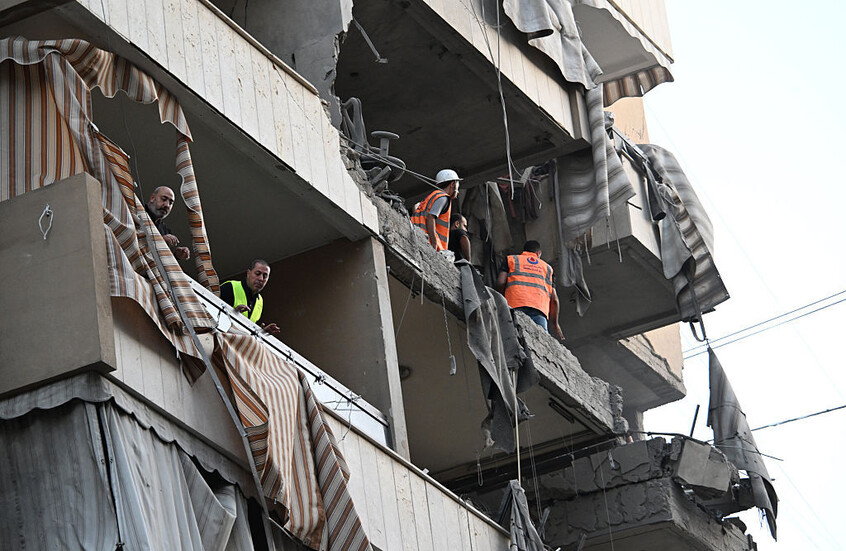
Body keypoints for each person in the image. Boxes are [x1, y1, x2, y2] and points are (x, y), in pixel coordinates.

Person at [497, 241, 564, 340]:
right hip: (539, 310)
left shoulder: (511, 259)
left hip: (515, 306)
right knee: (541, 342)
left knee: (515, 340)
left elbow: (501, 282)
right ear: (539, 253)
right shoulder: (548, 269)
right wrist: (555, 324)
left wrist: (501, 301)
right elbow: (554, 300)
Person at [220, 259, 280, 335]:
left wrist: (262, 332)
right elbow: (212, 314)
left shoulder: (260, 301)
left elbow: (249, 330)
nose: (261, 279)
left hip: (239, 340)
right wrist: (233, 313)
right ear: (248, 273)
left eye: (265, 276)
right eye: (257, 274)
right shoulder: (230, 287)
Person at [411, 169, 461, 251]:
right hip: (426, 241)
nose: (458, 190)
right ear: (452, 184)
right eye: (457, 184)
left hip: (416, 234)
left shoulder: (432, 196)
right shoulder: (443, 198)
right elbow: (430, 217)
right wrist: (434, 243)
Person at [145, 186, 190, 260]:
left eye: (170, 203)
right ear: (152, 198)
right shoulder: (136, 212)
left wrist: (176, 256)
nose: (167, 205)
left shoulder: (165, 229)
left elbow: (158, 260)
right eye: (164, 199)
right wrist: (161, 240)